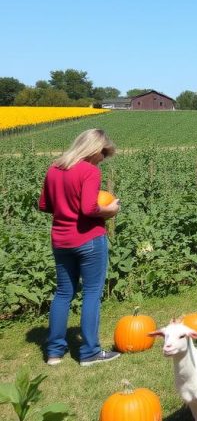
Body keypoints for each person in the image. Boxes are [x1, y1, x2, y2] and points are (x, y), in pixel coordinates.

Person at [38, 128, 121, 366]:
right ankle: (90, 352)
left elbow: (44, 205)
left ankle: (54, 352)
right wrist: (111, 210)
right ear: (95, 149)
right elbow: (89, 209)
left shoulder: (54, 169)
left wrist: (65, 207)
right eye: (103, 153)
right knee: (92, 294)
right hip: (88, 239)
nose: (103, 158)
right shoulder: (90, 171)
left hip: (60, 240)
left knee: (63, 293)